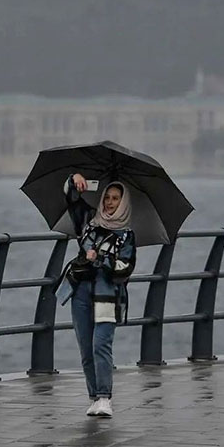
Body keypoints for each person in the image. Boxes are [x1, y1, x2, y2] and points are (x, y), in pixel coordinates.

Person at [56, 172, 136, 418]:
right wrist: (74, 179)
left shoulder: (127, 235)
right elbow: (71, 198)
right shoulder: (89, 221)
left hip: (107, 295)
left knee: (101, 344)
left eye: (115, 199)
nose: (110, 203)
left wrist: (99, 259)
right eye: (107, 198)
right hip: (80, 291)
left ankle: (104, 397)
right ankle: (93, 397)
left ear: (123, 203)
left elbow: (125, 268)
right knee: (85, 348)